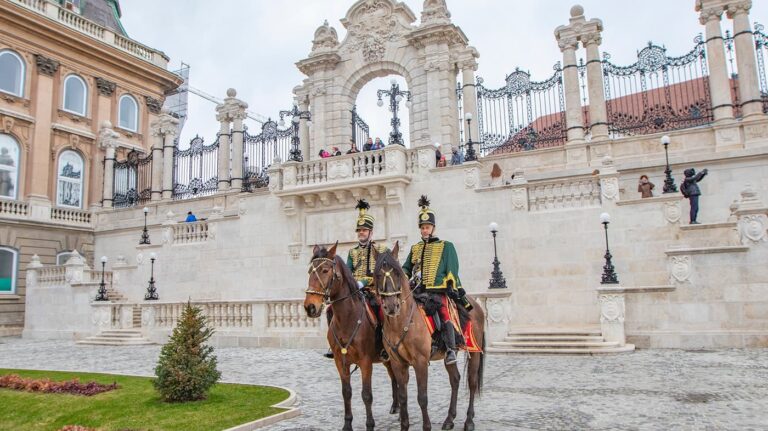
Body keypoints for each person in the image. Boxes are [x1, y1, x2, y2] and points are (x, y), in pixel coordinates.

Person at [402, 195, 472, 365]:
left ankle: (450, 349)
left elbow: (452, 269)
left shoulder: (445, 246)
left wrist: (448, 283)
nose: (424, 230)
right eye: (422, 228)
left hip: (438, 289)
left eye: (427, 227)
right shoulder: (415, 248)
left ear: (433, 227)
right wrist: (403, 279)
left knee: (444, 312)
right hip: (418, 290)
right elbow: (406, 268)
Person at [324, 199, 390, 360]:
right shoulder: (353, 253)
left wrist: (364, 283)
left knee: (380, 310)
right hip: (355, 292)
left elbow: (381, 273)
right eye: (359, 230)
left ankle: (384, 344)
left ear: (371, 232)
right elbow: (347, 273)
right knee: (330, 310)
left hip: (374, 290)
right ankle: (334, 344)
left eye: (364, 230)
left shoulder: (381, 249)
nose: (361, 232)